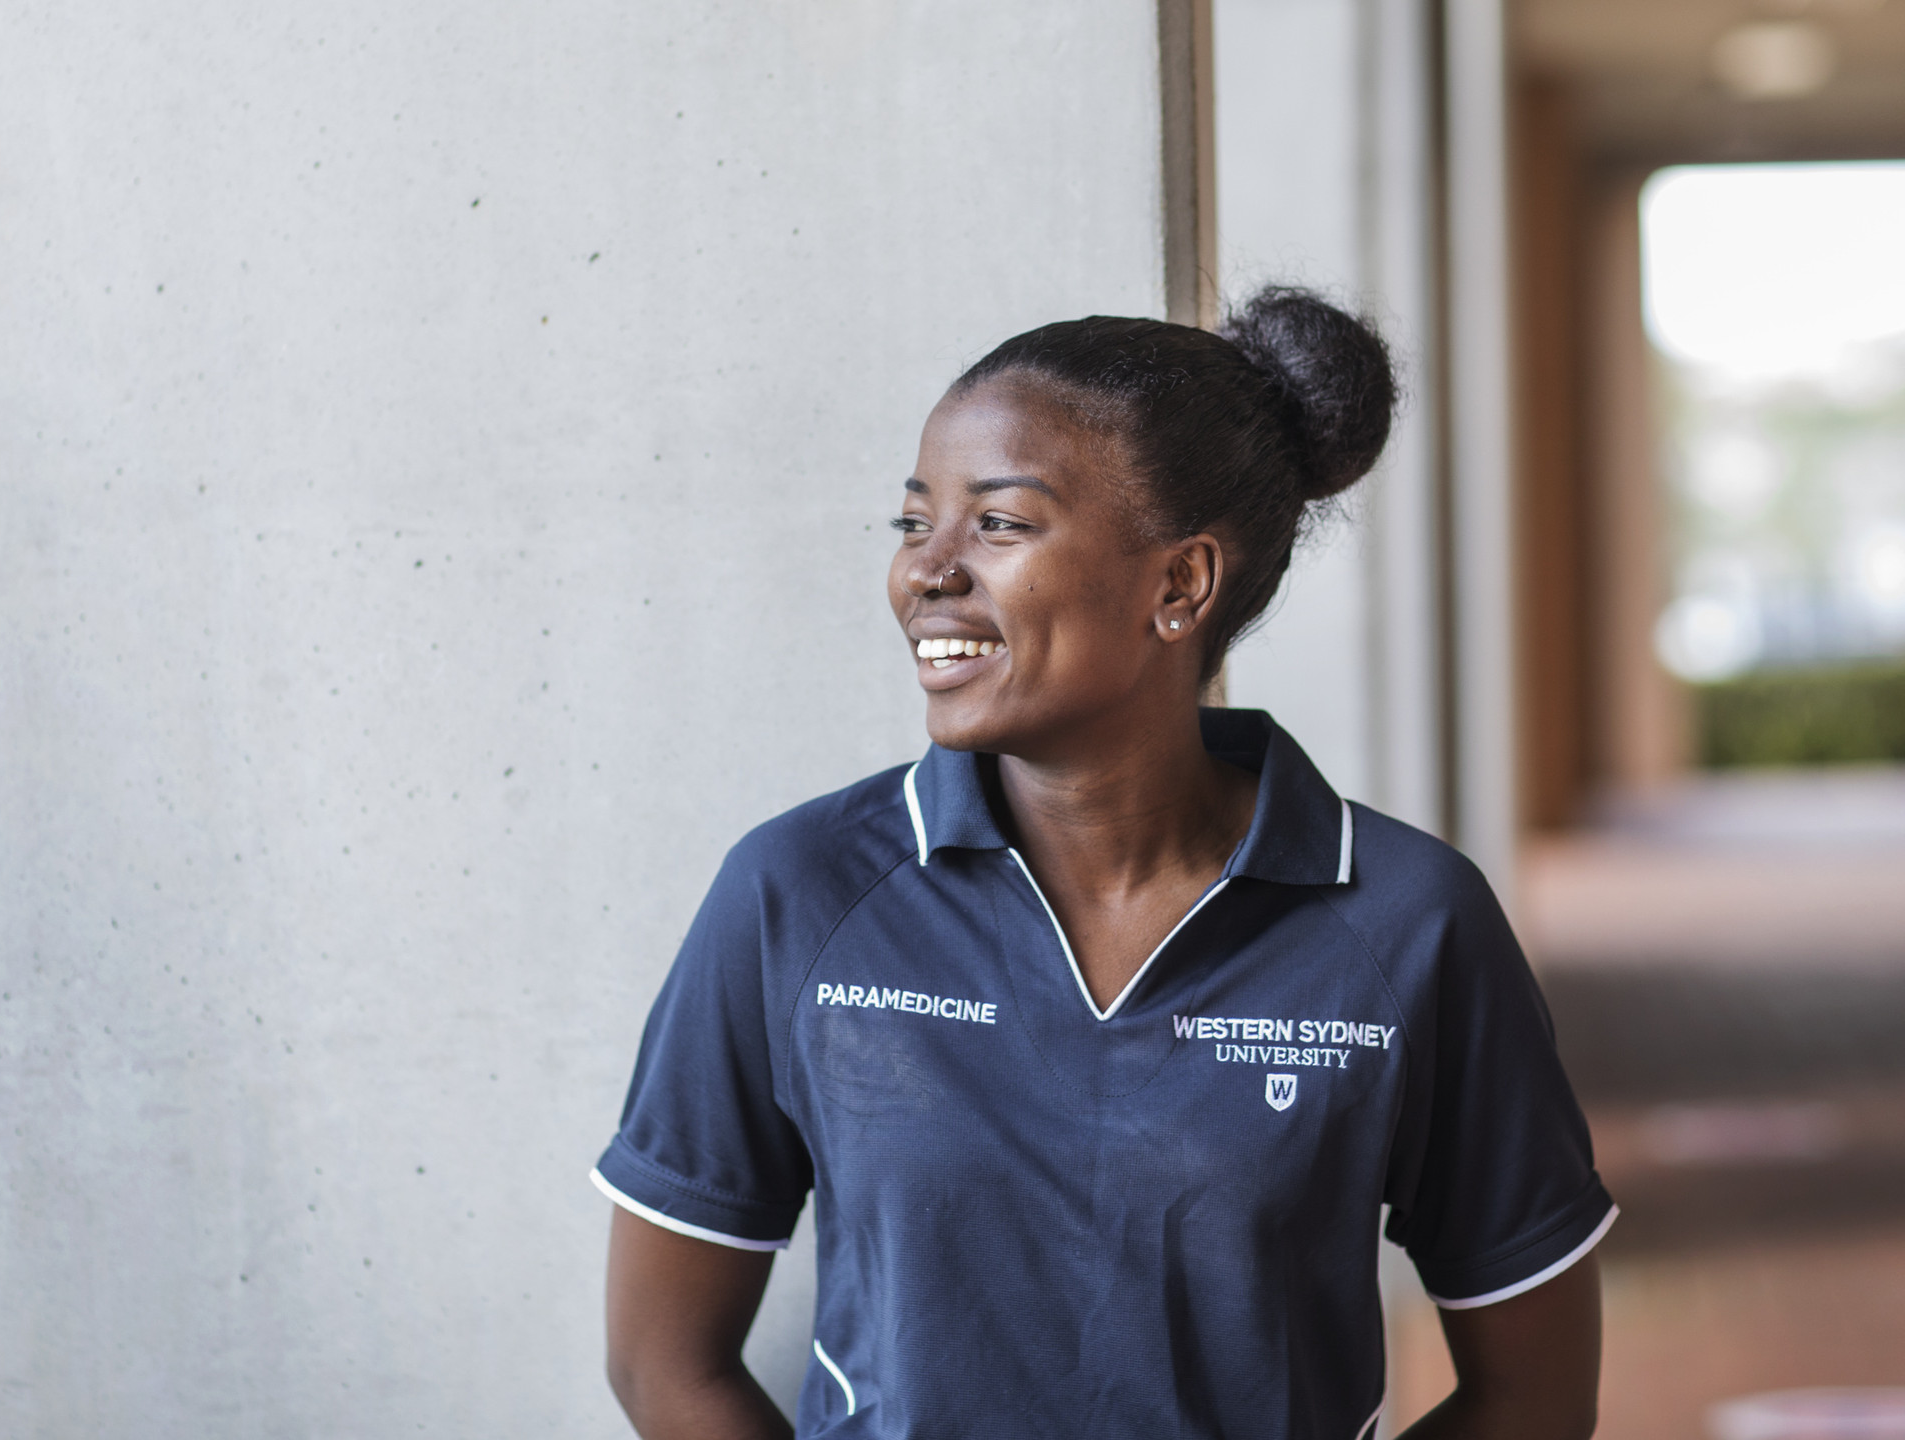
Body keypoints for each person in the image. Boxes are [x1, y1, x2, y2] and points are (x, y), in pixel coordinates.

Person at [593, 289, 1613, 1440]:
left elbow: (1534, 1395)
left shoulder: (1409, 923)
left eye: (1001, 525)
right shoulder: (800, 894)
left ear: (1179, 586)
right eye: (914, 522)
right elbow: (662, 1362)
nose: (926, 571)